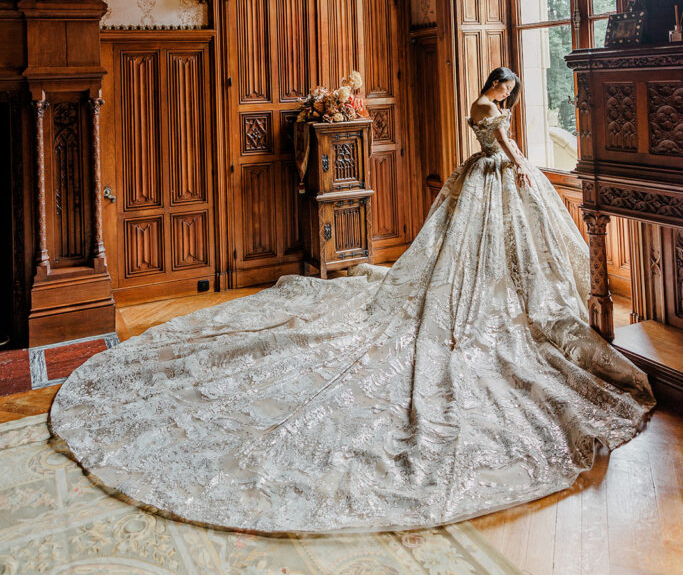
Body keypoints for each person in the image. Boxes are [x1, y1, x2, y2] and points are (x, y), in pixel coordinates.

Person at [50, 67, 655, 534]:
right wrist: (516, 163)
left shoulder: (496, 110)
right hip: (488, 180)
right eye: (500, 82)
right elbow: (498, 146)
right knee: (457, 273)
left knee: (507, 271)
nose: (501, 89)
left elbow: (508, 150)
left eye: (507, 85)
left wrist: (521, 169)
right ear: (492, 85)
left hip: (499, 183)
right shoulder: (483, 107)